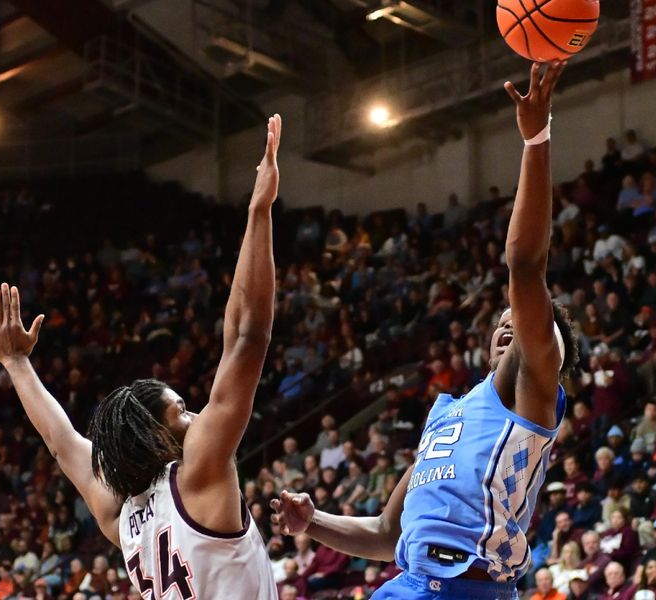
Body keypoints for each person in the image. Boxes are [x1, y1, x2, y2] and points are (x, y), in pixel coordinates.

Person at [272, 62, 577, 600]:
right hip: (412, 581)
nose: (510, 324)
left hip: (466, 586)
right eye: (502, 321)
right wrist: (314, 522)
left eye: (521, 321)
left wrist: (536, 140)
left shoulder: (533, 382)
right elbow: (388, 534)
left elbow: (525, 265)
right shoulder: (447, 415)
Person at [0, 115, 283, 599]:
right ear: (157, 435)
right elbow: (248, 336)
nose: (196, 414)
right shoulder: (200, 472)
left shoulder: (119, 516)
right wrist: (259, 212)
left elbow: (62, 443)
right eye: (181, 411)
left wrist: (16, 364)